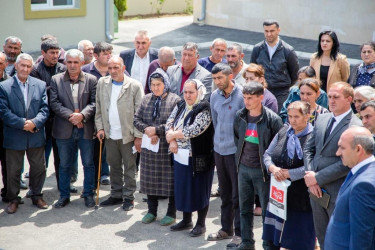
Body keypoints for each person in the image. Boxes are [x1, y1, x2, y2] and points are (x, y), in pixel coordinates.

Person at [303, 82, 362, 248]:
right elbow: (309, 148)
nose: (331, 101)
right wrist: (310, 175)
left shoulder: (355, 127)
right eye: (329, 97)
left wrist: (317, 178)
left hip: (337, 190)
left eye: (336, 97)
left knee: (339, 239)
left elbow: (348, 163)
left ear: (349, 99)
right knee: (321, 235)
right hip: (315, 189)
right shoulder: (322, 118)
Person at [233, 82, 283, 249]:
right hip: (243, 168)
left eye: (250, 98)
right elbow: (237, 138)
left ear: (261, 98)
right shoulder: (240, 115)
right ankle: (247, 242)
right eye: (245, 98)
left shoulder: (272, 119)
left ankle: (267, 244)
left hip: (262, 171)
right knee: (244, 208)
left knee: (267, 212)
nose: (246, 102)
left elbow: (278, 146)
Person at [0, 53, 49, 214]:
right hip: (15, 135)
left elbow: (44, 109)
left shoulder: (40, 85)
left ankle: (36, 195)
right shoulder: (4, 86)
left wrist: (34, 123)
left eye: (28, 66)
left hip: (35, 134)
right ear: (16, 66)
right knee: (13, 170)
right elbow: (4, 112)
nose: (25, 69)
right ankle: (13, 199)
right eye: (22, 65)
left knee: (38, 168)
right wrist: (23, 123)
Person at [263, 101, 315, 250]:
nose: (292, 120)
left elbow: (312, 165)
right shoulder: (283, 131)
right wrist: (273, 168)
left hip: (301, 195)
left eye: (296, 117)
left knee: (298, 239)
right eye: (290, 116)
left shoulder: (313, 136)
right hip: (279, 194)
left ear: (307, 116)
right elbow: (267, 154)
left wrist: (289, 173)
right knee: (277, 238)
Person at [165, 79, 215, 237]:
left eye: (191, 92)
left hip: (198, 157)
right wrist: (172, 139)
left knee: (199, 189)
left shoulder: (205, 108)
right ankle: (187, 220)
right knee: (183, 188)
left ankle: (201, 224)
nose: (187, 95)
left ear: (199, 92)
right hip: (180, 156)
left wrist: (173, 135)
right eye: (185, 92)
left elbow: (194, 130)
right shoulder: (180, 105)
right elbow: (169, 122)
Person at [95, 56, 143, 211]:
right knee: (114, 166)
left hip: (127, 134)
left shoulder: (134, 85)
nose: (113, 71)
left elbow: (139, 113)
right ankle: (116, 194)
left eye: (116, 67)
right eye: (110, 68)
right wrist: (100, 128)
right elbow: (98, 108)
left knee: (129, 167)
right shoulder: (102, 83)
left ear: (123, 68)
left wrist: (138, 136)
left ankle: (128, 197)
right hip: (109, 134)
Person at [50, 49, 97, 208]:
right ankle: (64, 195)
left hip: (86, 128)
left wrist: (82, 116)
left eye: (75, 62)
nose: (72, 65)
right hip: (64, 128)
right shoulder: (56, 80)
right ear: (65, 63)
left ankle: (88, 194)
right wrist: (72, 116)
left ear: (82, 63)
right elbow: (54, 103)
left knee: (88, 163)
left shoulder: (91, 80)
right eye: (69, 62)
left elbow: (94, 103)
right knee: (64, 165)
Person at [134, 68, 180, 224]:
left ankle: (171, 213)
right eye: (153, 84)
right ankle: (151, 211)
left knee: (170, 180)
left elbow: (174, 124)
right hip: (149, 148)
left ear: (165, 84)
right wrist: (148, 130)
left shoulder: (175, 100)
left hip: (167, 148)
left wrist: (157, 131)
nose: (155, 88)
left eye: (158, 84)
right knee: (150, 180)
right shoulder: (146, 99)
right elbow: (136, 119)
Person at [207, 63, 244, 248]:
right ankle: (225, 229)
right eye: (214, 79)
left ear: (230, 76)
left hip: (236, 153)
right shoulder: (214, 96)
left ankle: (239, 233)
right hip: (219, 151)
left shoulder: (243, 96)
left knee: (238, 195)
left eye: (220, 78)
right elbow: (215, 121)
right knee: (225, 194)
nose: (217, 82)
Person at [325, 126, 375, 250]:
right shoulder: (362, 172)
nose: (337, 153)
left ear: (358, 149)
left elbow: (362, 237)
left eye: (342, 148)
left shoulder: (363, 185)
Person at [30, 38, 68, 191]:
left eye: (57, 52)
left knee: (62, 158)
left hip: (59, 119)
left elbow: (64, 93)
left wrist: (50, 89)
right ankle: (35, 189)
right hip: (41, 120)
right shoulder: (35, 70)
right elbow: (37, 94)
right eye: (51, 53)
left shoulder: (63, 69)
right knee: (38, 158)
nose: (55, 56)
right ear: (43, 53)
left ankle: (63, 187)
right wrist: (54, 89)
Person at [250, 20, 299, 112]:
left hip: (281, 93)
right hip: (262, 91)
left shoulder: (288, 50)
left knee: (278, 119)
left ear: (278, 30)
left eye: (272, 31)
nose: (269, 34)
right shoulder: (257, 49)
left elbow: (295, 74)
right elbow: (253, 70)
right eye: (266, 31)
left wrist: (283, 84)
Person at [82, 42, 113, 186]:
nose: (109, 56)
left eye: (110, 53)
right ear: (95, 55)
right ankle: (93, 180)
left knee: (106, 148)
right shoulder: (86, 71)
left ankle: (105, 173)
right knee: (92, 150)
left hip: (111, 118)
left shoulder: (116, 69)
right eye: (105, 54)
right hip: (90, 117)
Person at [0, 52, 9, 202]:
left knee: (8, 166)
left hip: (7, 130)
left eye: (0, 63)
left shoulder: (10, 82)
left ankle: (8, 193)